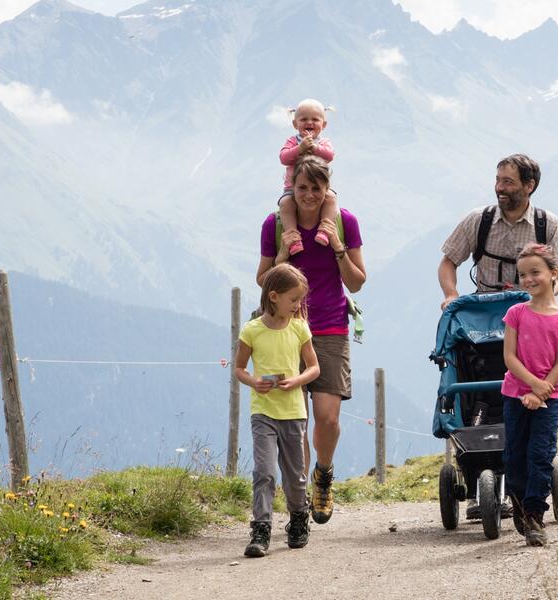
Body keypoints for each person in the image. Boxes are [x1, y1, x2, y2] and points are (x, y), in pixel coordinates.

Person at [257, 155, 365, 525]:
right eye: (302, 188)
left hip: (331, 327)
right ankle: (300, 497)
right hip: (286, 331)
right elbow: (263, 281)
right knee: (295, 422)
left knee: (327, 419)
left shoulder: (344, 222)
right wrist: (284, 253)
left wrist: (337, 247)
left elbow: (356, 282)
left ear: (326, 190)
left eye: (315, 189)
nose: (308, 195)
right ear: (292, 188)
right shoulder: (274, 225)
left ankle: (324, 473)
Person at [232, 263, 321, 558]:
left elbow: (314, 367)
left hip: (294, 412)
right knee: (264, 472)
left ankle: (298, 518)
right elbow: (240, 369)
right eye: (294, 299)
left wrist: (296, 380)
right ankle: (261, 528)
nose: (298, 306)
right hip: (264, 413)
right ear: (273, 296)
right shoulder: (252, 331)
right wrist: (255, 383)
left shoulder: (299, 328)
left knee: (295, 476)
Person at [499, 244, 558, 546]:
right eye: (522, 275)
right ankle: (518, 502)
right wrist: (533, 386)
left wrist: (543, 390)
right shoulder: (515, 313)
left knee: (541, 454)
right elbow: (510, 357)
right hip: (517, 394)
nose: (528, 279)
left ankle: (534, 513)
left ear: (553, 274)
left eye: (535, 272)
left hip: (549, 398)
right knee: (516, 454)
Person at [438, 154, 558, 308]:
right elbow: (448, 262)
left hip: (530, 310)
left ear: (529, 186)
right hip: (484, 311)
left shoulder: (548, 224)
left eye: (508, 182)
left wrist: (542, 296)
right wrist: (451, 295)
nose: (500, 188)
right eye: (498, 180)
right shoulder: (478, 219)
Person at [274, 99, 340, 262]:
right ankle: (293, 238)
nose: (309, 123)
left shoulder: (324, 142)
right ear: (295, 124)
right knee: (286, 204)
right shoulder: (292, 141)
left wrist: (315, 148)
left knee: (331, 198)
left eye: (315, 119)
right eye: (304, 119)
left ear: (323, 125)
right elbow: (283, 158)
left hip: (320, 189)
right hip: (292, 188)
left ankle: (325, 230)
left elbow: (330, 156)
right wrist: (300, 148)